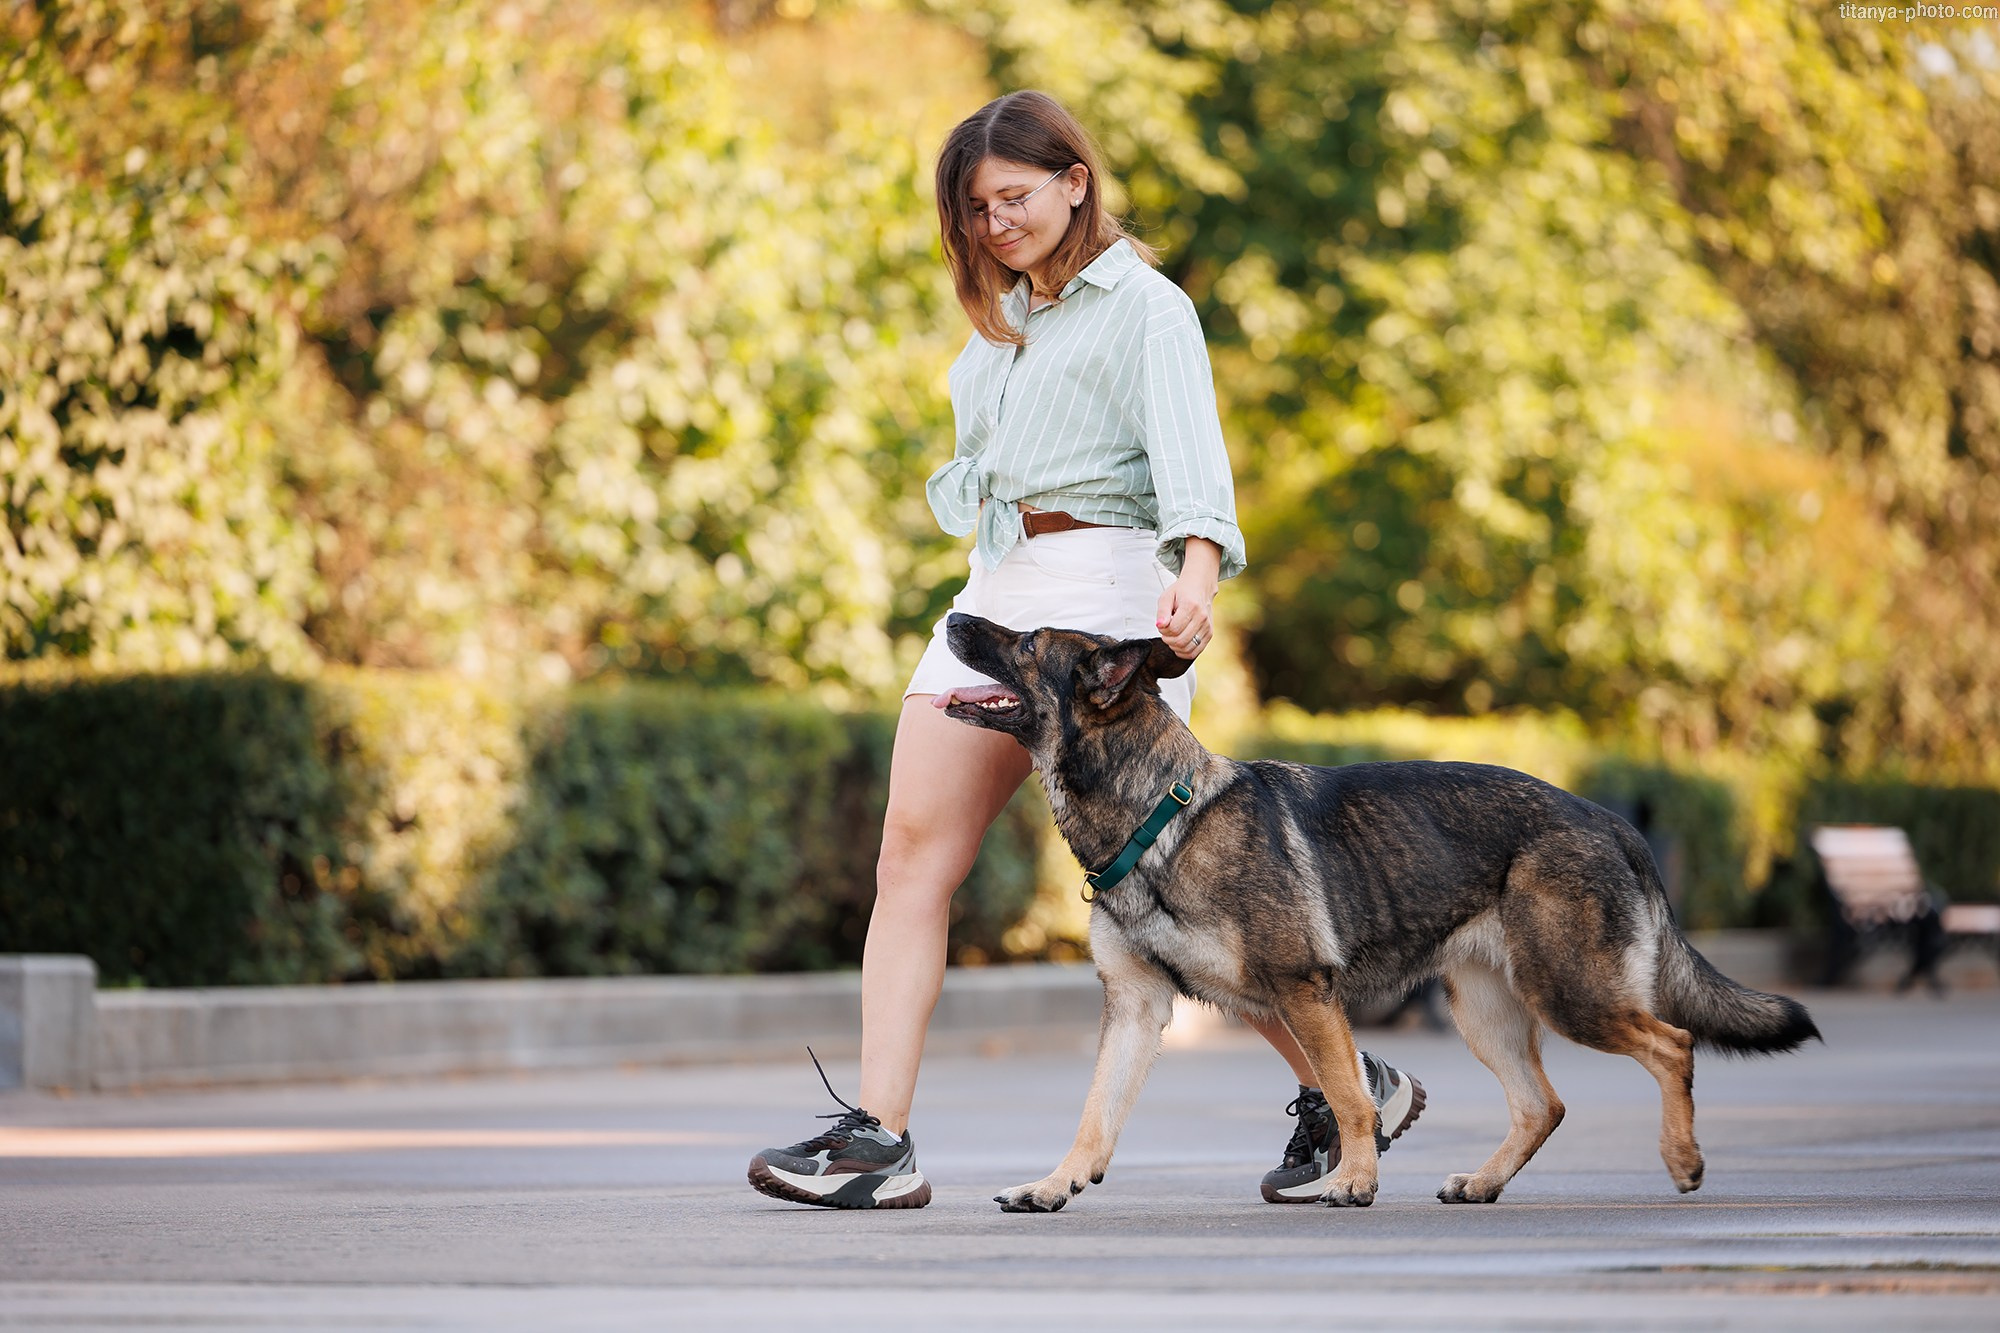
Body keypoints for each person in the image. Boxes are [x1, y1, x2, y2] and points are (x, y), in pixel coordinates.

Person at [746, 90, 1424, 1211]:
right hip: (1002, 590)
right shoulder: (1003, 319)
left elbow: (1194, 471)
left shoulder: (1147, 309)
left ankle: (1349, 1083)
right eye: (974, 208)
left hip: (1111, 599)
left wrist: (1193, 584)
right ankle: (878, 1139)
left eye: (1013, 196)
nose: (993, 222)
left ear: (1074, 181)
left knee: (1186, 899)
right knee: (909, 853)